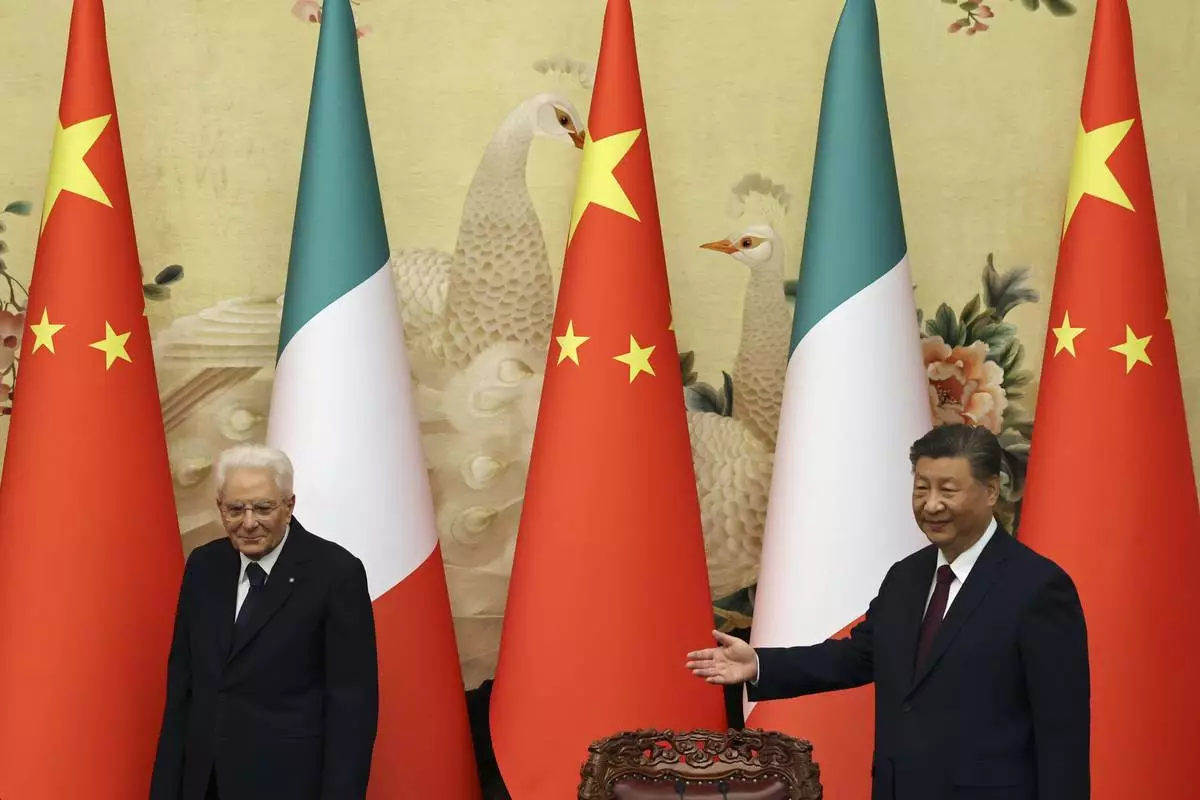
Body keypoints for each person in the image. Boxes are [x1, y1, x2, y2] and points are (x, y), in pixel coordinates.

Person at [686, 423, 1090, 800]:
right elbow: (857, 657)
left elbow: (1062, 733)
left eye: (948, 490)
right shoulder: (906, 576)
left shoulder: (1038, 588)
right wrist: (757, 664)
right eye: (921, 488)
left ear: (990, 491)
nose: (932, 505)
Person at [150, 444, 379, 800]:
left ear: (289, 506)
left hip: (290, 785)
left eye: (263, 507)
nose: (249, 522)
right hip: (204, 783)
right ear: (220, 508)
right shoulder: (204, 566)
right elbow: (183, 688)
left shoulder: (335, 573)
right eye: (235, 509)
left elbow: (352, 707)